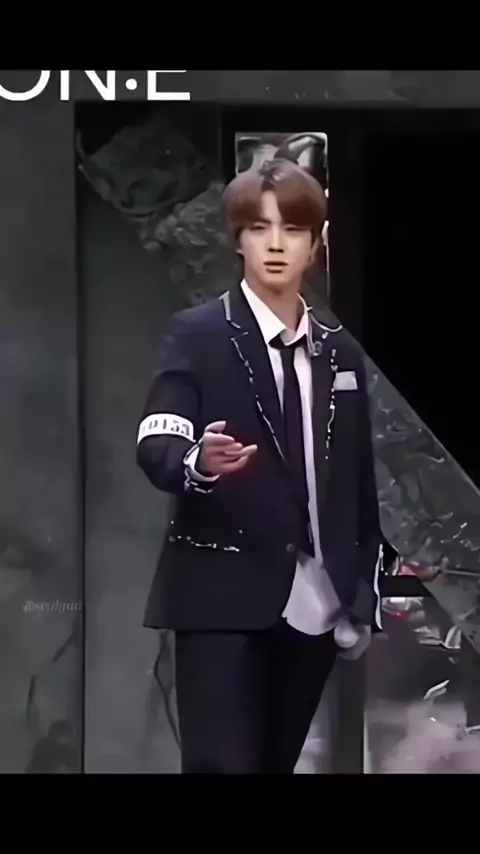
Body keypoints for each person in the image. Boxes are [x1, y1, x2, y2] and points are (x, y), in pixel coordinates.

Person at [136, 158, 386, 774]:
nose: (276, 244)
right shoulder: (197, 335)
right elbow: (158, 437)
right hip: (221, 597)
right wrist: (197, 459)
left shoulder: (340, 351)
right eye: (259, 228)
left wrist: (361, 594)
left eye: (292, 229)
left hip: (317, 606)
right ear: (237, 240)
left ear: (316, 242)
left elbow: (357, 481)